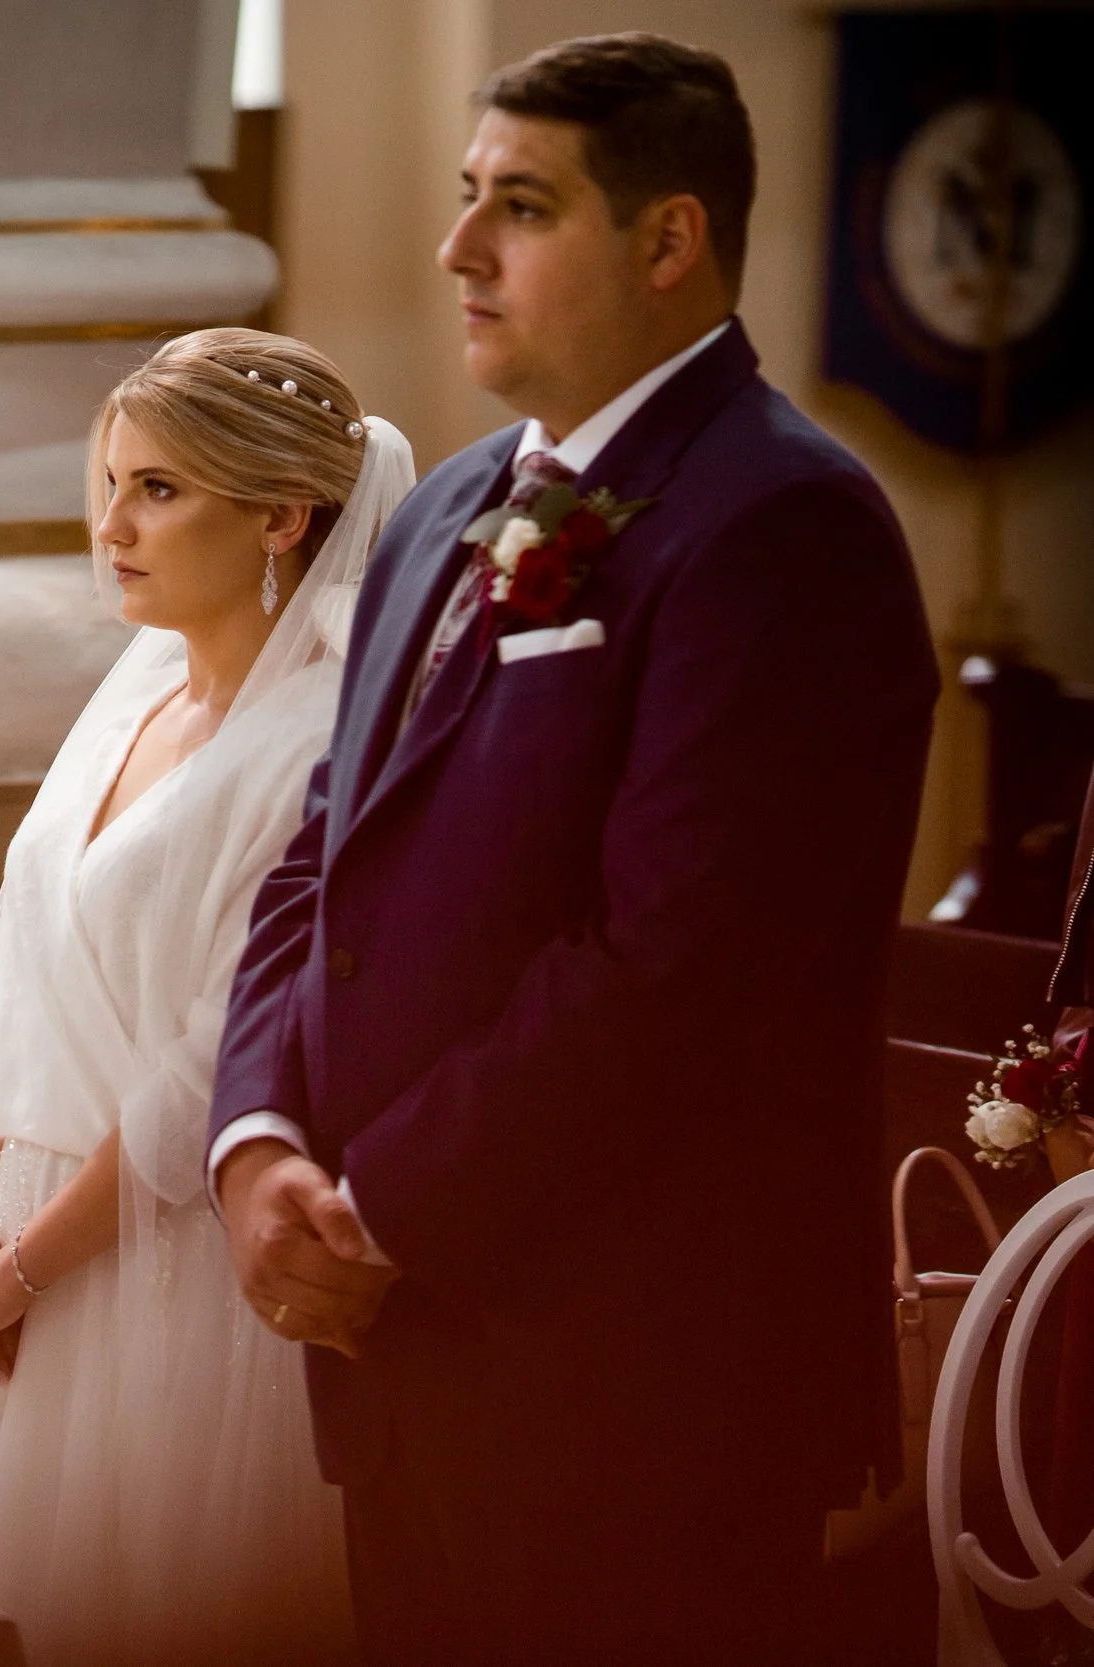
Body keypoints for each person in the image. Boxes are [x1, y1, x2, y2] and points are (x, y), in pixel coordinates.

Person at [208, 34, 940, 1666]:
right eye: (466, 197)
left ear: (668, 240)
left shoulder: (785, 524)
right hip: (402, 1354)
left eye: (519, 207)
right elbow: (316, 859)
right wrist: (256, 1142)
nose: (459, 248)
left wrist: (375, 1207)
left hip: (637, 1367)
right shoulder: (442, 507)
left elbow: (681, 966)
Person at [0, 327, 414, 1666]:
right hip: (18, 1243)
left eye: (161, 490)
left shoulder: (315, 740)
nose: (111, 524)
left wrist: (17, 1268)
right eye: (111, 482)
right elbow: (18, 972)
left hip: (158, 1267)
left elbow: (206, 1068)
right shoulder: (132, 697)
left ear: (282, 515)